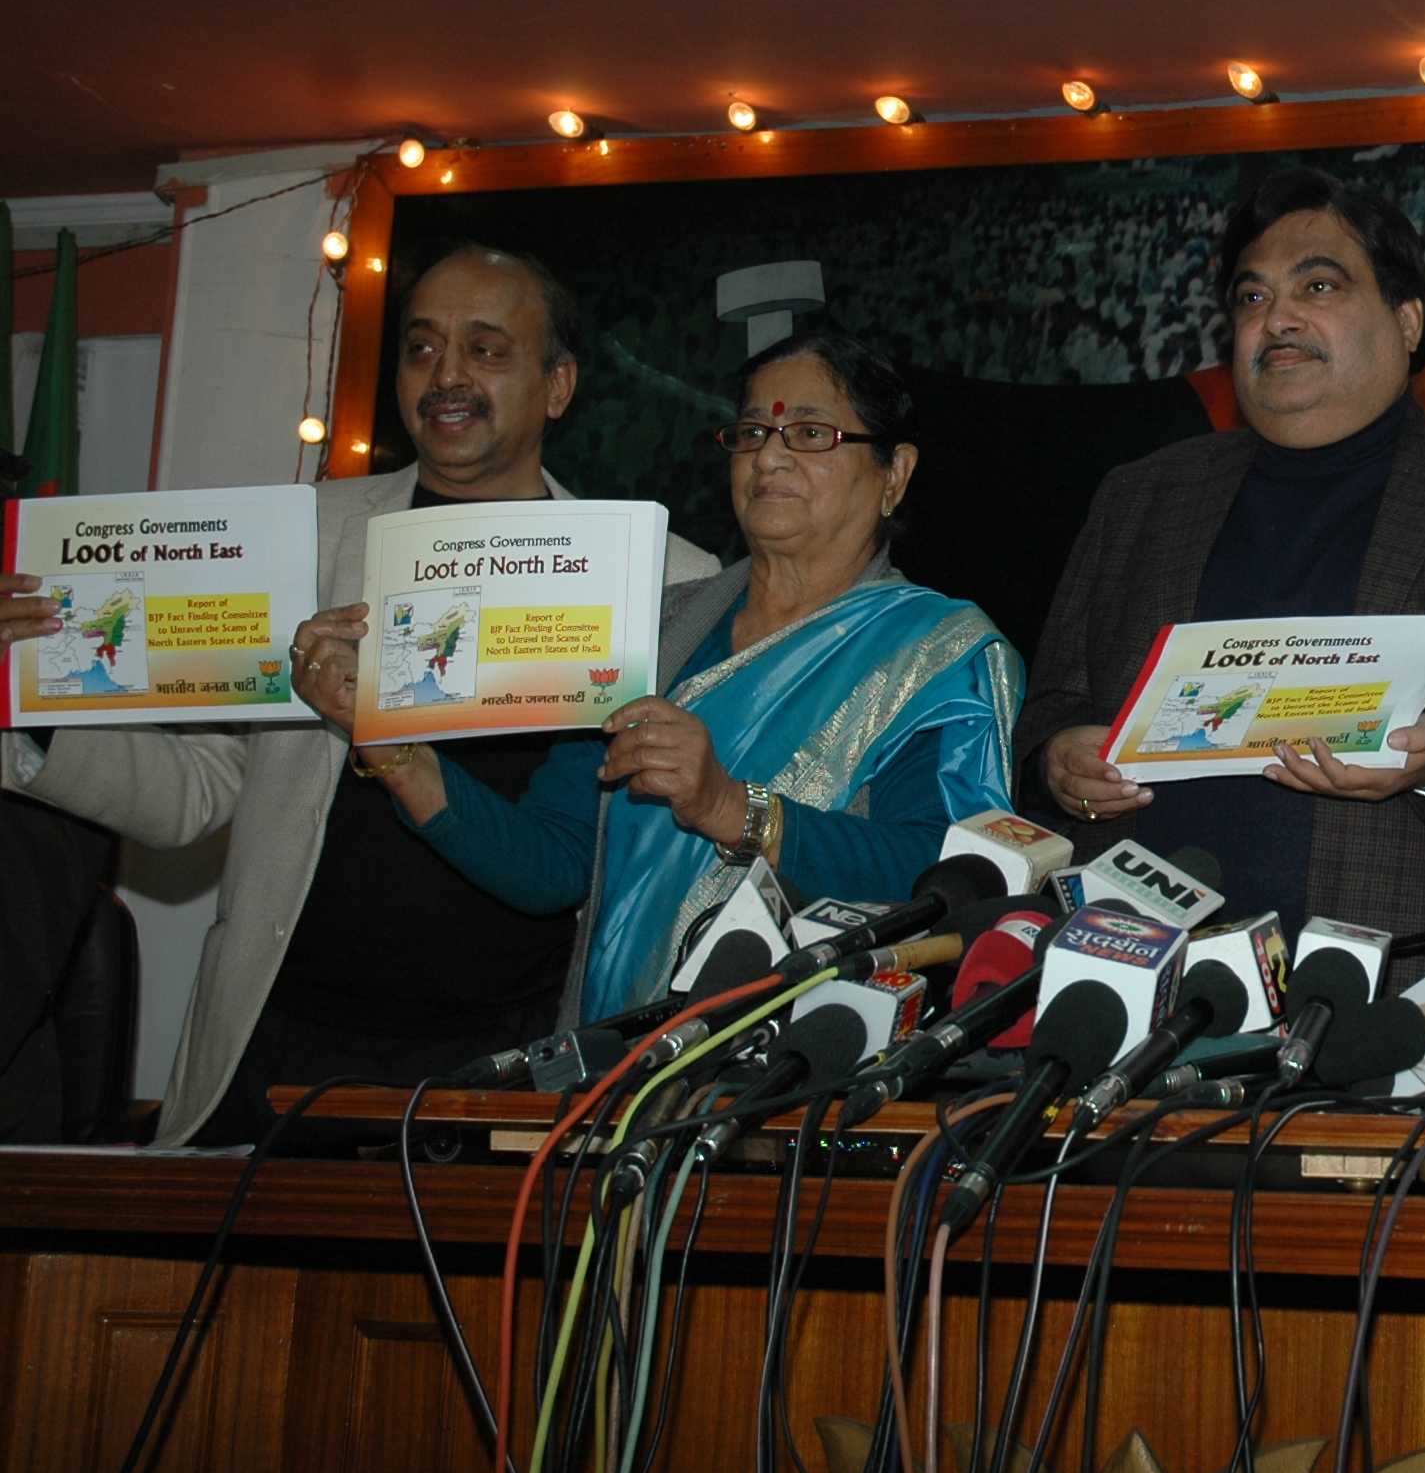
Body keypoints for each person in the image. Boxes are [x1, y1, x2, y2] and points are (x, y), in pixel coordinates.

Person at [0, 246, 722, 1143]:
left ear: (559, 384)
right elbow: (196, 794)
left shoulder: (660, 583)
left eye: (486, 350)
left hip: (514, 1065)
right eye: (421, 349)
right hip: (276, 1048)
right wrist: (26, 707)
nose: (446, 376)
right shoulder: (303, 536)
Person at [1019, 167, 1425, 1000]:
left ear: (1410, 319)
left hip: (1410, 1004)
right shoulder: (1141, 496)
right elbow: (1050, 710)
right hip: (1137, 1003)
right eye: (1250, 299)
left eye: (1318, 284)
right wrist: (1059, 762)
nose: (1276, 319)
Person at [330, 330, 1021, 1019]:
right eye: (752, 432)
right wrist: (396, 753)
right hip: (618, 1069)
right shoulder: (649, 632)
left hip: (800, 1075)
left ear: (894, 472)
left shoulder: (934, 652)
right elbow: (551, 865)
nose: (769, 456)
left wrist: (732, 808)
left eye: (810, 433)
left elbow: (955, 881)